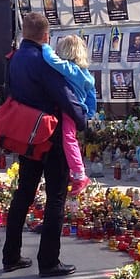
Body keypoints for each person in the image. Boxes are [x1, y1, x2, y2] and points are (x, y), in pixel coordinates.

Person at [1, 12, 86, 277]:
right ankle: (49, 261)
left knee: (24, 193)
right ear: (46, 36)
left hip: (28, 136)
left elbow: (9, 92)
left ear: (25, 33)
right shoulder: (45, 61)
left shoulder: (13, 59)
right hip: (51, 137)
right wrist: (83, 121)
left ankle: (11, 255)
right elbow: (65, 96)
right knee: (55, 198)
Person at [42, 35, 96, 195]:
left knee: (68, 139)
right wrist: (89, 114)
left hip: (69, 109)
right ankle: (75, 171)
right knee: (71, 139)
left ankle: (79, 174)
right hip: (80, 109)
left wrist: (44, 46)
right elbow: (92, 97)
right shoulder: (86, 74)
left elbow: (51, 60)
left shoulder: (70, 69)